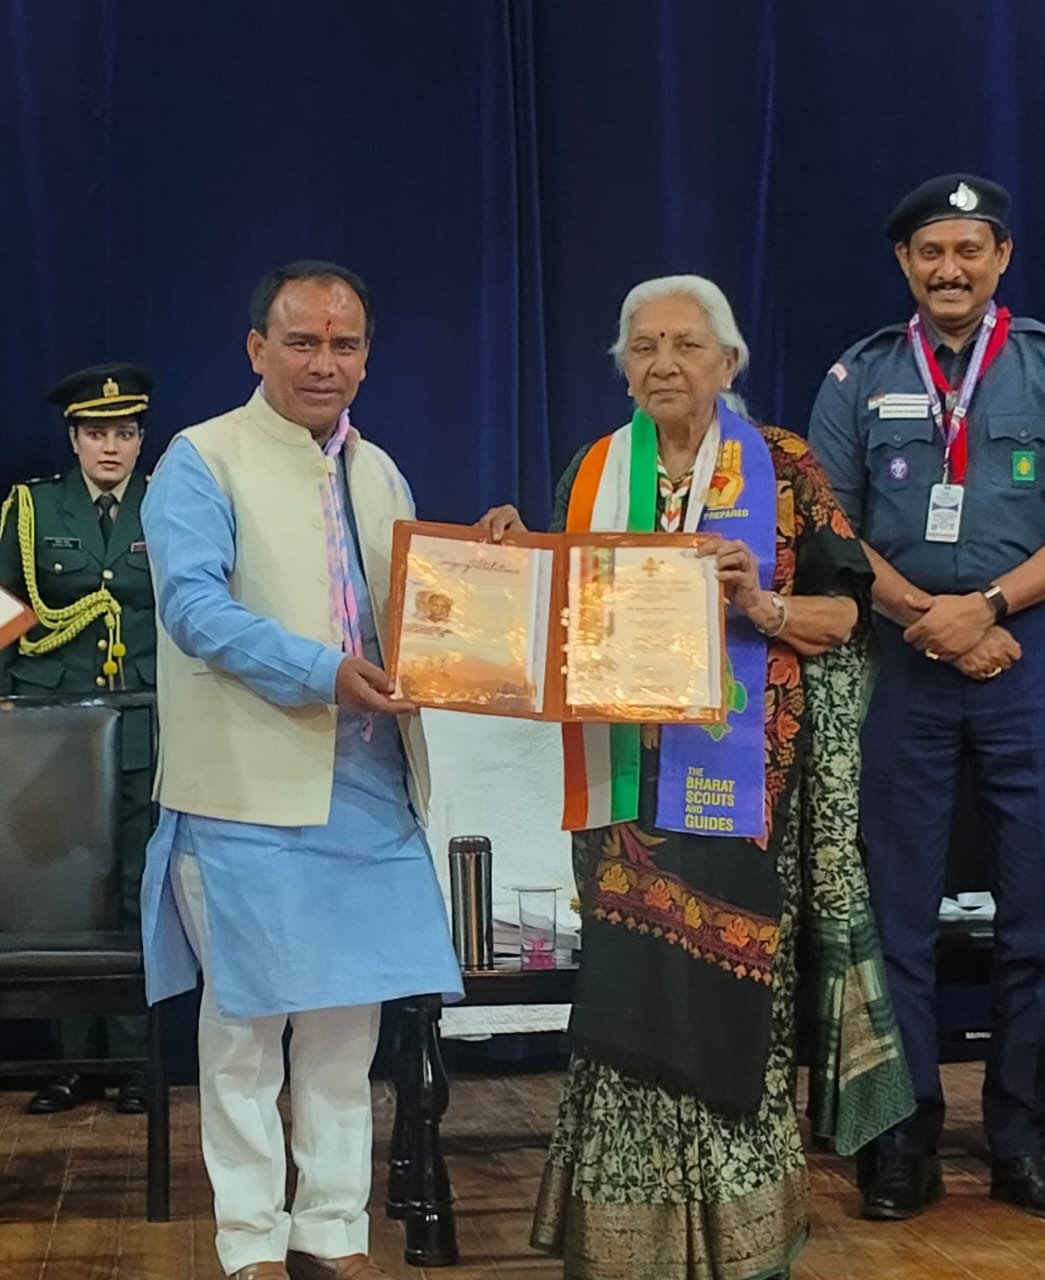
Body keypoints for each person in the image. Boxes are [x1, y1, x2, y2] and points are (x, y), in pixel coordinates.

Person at [480, 275, 914, 1280]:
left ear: (728, 362)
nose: (663, 363)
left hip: (745, 798)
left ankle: (738, 1244)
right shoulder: (594, 469)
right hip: (623, 802)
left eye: (684, 344)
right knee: (626, 1008)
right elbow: (557, 613)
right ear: (622, 368)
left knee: (732, 1009)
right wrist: (509, 560)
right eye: (642, 347)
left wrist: (761, 605)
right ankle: (624, 1248)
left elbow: (845, 617)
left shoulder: (783, 465)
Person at [139, 260, 463, 1280]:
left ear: (366, 357)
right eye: (303, 341)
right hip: (246, 789)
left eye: (344, 343)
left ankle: (331, 1231)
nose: (325, 362)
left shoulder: (380, 470)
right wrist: (322, 672)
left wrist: (488, 567)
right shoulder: (200, 459)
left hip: (367, 788)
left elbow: (418, 609)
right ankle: (250, 1244)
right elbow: (193, 610)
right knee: (245, 1028)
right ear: (257, 350)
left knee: (343, 1031)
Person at [808, 172, 1045, 1222]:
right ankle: (899, 1141)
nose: (949, 269)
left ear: (1000, 257)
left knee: (1035, 915)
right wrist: (926, 616)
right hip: (902, 662)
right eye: (929, 252)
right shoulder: (859, 375)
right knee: (895, 918)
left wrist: (985, 607)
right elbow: (830, 526)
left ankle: (1023, 1137)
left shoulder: (1039, 365)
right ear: (904, 263)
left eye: (968, 249)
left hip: (1026, 654)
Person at [0, 362, 156, 1116]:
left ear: (140, 438)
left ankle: (133, 1060)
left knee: (136, 888)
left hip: (143, 722)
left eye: (124, 432)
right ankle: (70, 1065)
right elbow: (3, 609)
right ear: (73, 438)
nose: (111, 447)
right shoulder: (32, 509)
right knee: (65, 895)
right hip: (55, 726)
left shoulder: (166, 505)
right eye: (97, 433)